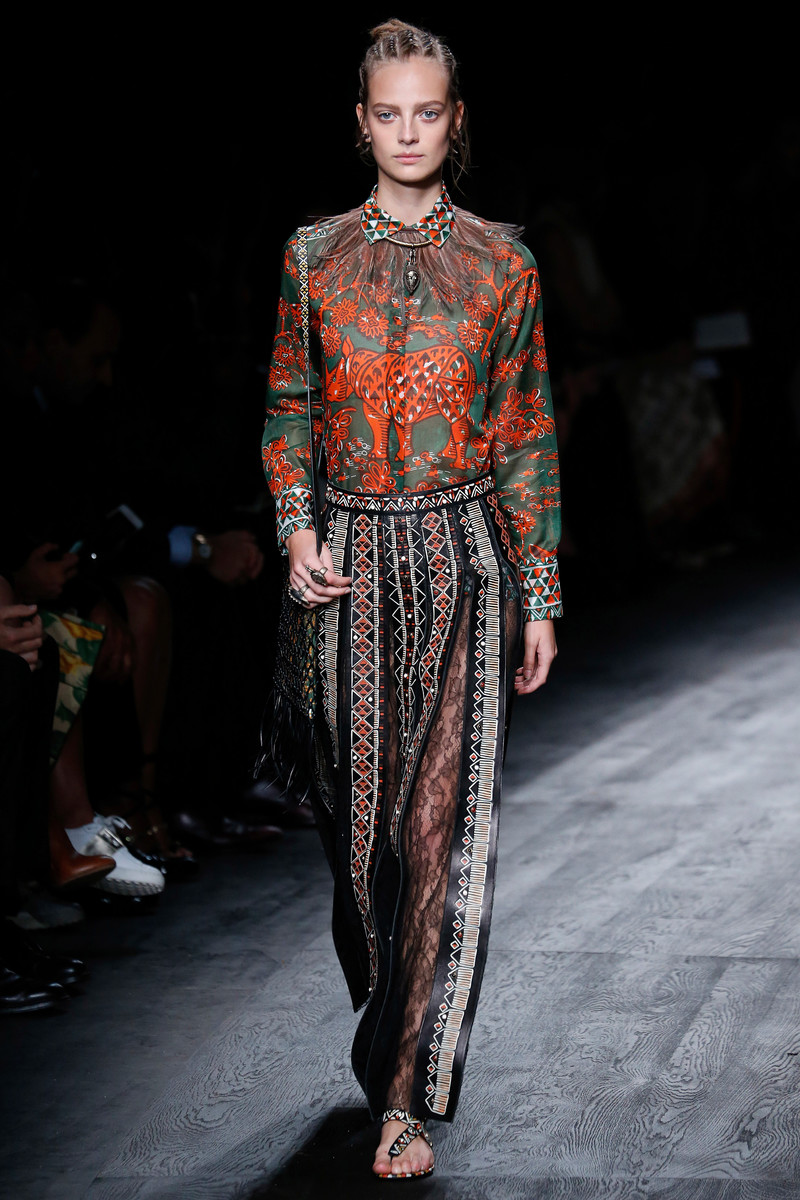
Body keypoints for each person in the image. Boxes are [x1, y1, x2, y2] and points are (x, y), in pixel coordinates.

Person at [261, 19, 561, 1180]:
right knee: (362, 835)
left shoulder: (501, 265)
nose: (406, 132)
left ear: (453, 119)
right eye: (387, 113)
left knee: (439, 828)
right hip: (343, 561)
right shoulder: (310, 257)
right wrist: (294, 529)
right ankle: (384, 1012)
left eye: (425, 112)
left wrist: (538, 591)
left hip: (462, 553)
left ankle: (406, 1095)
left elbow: (524, 431)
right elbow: (290, 405)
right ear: (360, 123)